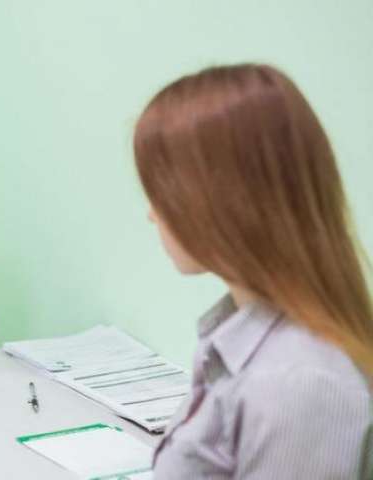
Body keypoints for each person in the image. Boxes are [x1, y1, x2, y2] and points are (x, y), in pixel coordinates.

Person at [132, 64, 373, 478]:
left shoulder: (299, 384)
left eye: (161, 191)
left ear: (221, 198)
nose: (151, 213)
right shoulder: (242, 336)